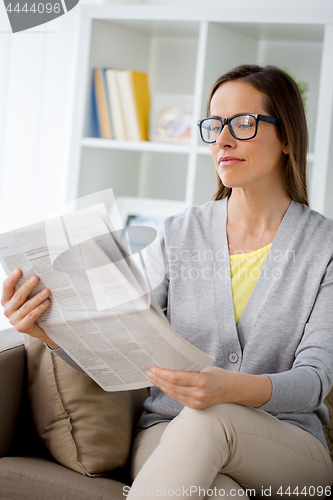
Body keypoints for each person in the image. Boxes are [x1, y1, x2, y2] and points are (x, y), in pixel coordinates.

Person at [2, 64, 333, 498]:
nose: (223, 140)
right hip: (168, 430)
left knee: (209, 417)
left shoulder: (324, 248)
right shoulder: (177, 234)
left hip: (287, 443)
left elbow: (315, 380)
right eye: (214, 126)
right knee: (217, 485)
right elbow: (125, 354)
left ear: (287, 137)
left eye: (244, 124)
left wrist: (230, 389)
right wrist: (53, 335)